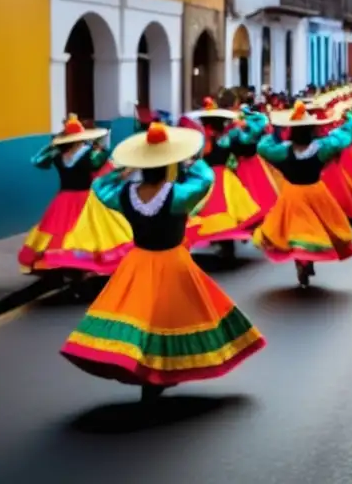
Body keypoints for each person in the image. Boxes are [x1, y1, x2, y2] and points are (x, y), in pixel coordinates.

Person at [61, 122, 265, 401]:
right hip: (173, 263)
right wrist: (189, 161)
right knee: (171, 320)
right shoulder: (178, 196)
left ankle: (149, 372)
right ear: (168, 164)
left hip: (139, 263)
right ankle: (161, 371)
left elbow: (100, 185)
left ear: (142, 166)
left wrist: (123, 171)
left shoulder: (124, 196)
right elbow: (205, 179)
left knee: (143, 319)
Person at [252, 101, 352, 286]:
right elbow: (342, 137)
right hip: (315, 193)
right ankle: (306, 261)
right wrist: (349, 120)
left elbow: (263, 147)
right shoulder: (322, 148)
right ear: (312, 129)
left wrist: (272, 131)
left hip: (292, 195)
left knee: (295, 231)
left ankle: (302, 261)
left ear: (292, 131)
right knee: (314, 229)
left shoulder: (282, 151)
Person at [18, 115, 132, 278]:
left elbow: (38, 161)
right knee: (92, 231)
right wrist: (102, 145)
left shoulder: (58, 155)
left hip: (63, 199)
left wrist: (53, 146)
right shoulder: (89, 154)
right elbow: (99, 161)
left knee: (59, 231)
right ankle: (82, 265)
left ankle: (63, 264)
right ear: (81, 138)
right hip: (85, 199)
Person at [183, 100, 262, 258]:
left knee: (209, 211)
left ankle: (221, 243)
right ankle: (227, 245)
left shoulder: (201, 139)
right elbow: (249, 144)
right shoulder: (229, 136)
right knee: (228, 211)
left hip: (206, 179)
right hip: (225, 178)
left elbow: (194, 159)